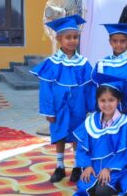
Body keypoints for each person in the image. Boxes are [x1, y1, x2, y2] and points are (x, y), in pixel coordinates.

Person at [30, 15, 94, 183]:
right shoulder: (51, 63)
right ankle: (60, 166)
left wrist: (90, 108)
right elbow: (46, 90)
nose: (72, 41)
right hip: (58, 107)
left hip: (78, 107)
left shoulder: (83, 63)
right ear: (59, 38)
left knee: (77, 135)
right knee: (59, 135)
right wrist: (49, 111)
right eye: (68, 37)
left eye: (75, 37)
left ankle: (77, 167)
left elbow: (89, 88)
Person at [73, 73, 127, 196]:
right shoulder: (90, 121)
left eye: (111, 100)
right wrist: (87, 166)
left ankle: (118, 181)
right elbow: (82, 147)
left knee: (101, 192)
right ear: (97, 101)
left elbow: (125, 152)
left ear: (118, 101)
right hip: (93, 166)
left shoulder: (125, 122)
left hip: (115, 167)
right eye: (102, 100)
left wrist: (108, 169)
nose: (107, 104)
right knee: (84, 187)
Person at [92, 23, 127, 116]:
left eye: (122, 41)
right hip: (108, 113)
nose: (118, 44)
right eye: (115, 41)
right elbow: (97, 91)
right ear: (110, 42)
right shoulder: (102, 64)